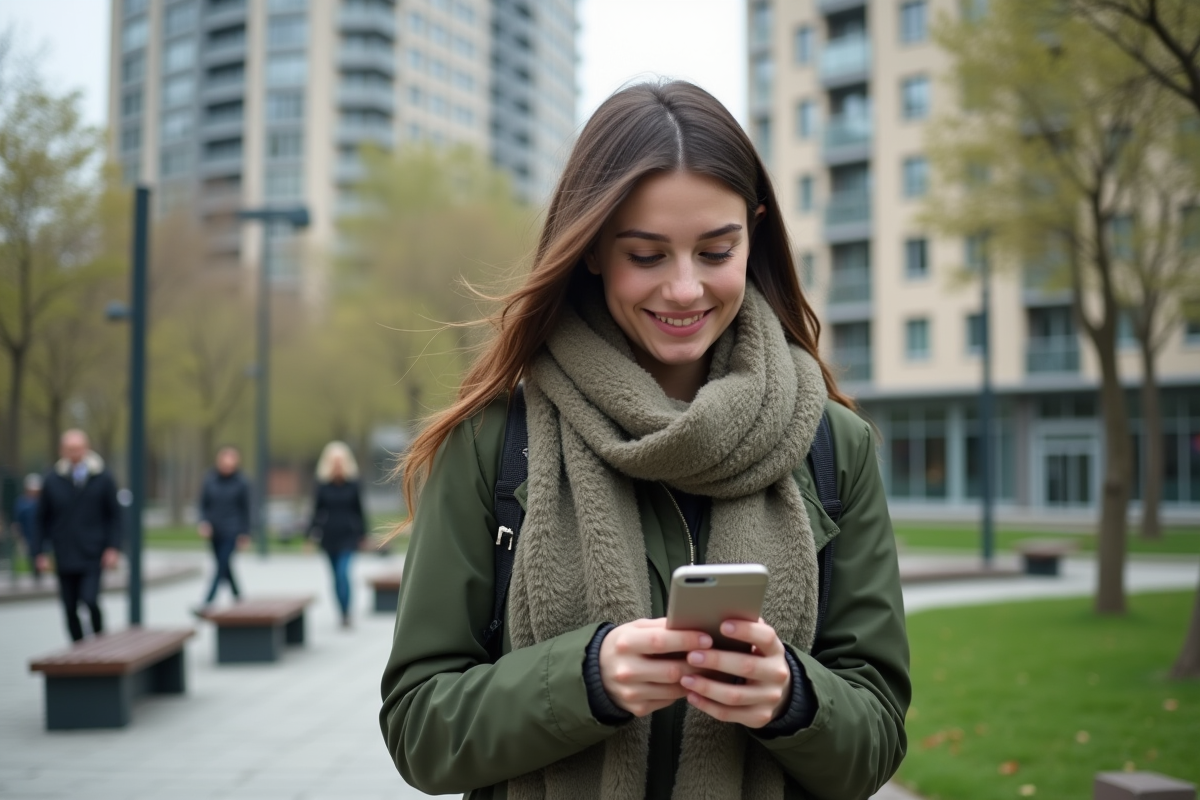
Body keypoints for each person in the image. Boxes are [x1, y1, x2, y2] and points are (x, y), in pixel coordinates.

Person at [379, 81, 910, 800]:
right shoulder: (492, 442)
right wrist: (586, 678)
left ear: (753, 237)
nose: (686, 289)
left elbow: (875, 738)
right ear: (594, 248)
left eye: (715, 250)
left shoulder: (832, 445)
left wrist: (794, 698)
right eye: (648, 256)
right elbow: (420, 731)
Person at [35, 430, 122, 642]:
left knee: (90, 600)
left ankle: (100, 640)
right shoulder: (52, 480)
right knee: (69, 606)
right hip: (64, 552)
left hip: (93, 552)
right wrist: (39, 552)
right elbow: (41, 518)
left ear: (86, 448)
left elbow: (115, 515)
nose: (74, 453)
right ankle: (78, 648)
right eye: (70, 449)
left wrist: (113, 547)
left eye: (78, 448)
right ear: (62, 451)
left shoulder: (102, 477)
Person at [309, 441, 366, 628]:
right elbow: (316, 512)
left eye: (340, 460)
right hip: (329, 535)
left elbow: (359, 510)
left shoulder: (353, 484)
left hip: (348, 535)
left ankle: (347, 612)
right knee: (334, 577)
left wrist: (364, 534)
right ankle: (341, 612)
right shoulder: (322, 485)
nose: (337, 464)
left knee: (343, 574)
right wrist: (309, 535)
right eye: (334, 461)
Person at [196, 445, 251, 613]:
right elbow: (203, 504)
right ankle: (238, 596)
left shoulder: (242, 482)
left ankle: (208, 600)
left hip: (233, 530)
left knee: (221, 564)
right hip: (214, 529)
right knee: (224, 564)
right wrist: (203, 522)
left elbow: (247, 509)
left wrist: (245, 533)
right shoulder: (210, 479)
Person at [15, 473, 43, 585]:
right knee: (31, 553)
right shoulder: (22, 503)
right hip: (28, 532)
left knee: (40, 552)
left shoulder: (41, 502)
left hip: (40, 532)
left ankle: (39, 572)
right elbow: (19, 519)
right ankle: (35, 572)